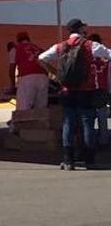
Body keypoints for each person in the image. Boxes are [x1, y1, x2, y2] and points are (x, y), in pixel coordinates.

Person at [37, 19, 111, 170]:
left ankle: (68, 160)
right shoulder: (91, 45)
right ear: (81, 28)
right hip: (86, 91)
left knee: (68, 124)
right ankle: (89, 160)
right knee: (87, 124)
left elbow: (41, 58)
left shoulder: (60, 46)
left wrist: (54, 73)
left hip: (67, 91)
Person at [8, 32, 48, 111]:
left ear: (18, 40)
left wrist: (12, 85)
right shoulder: (38, 48)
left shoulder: (15, 49)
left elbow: (12, 69)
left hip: (27, 77)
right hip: (43, 78)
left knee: (23, 109)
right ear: (28, 39)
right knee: (41, 110)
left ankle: (23, 123)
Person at [88, 34, 111, 147]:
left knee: (88, 116)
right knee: (102, 117)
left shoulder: (87, 56)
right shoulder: (107, 57)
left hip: (89, 89)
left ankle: (90, 140)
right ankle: (104, 139)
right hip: (103, 89)